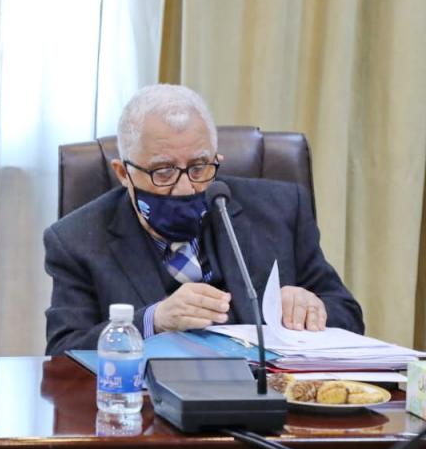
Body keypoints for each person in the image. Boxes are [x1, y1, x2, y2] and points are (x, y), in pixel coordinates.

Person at [44, 84, 363, 354]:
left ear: (216, 159)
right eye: (163, 171)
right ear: (123, 173)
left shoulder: (279, 210)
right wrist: (153, 321)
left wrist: (312, 308)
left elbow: (348, 315)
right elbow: (63, 353)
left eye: (199, 168)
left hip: (267, 397)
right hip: (150, 402)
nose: (185, 188)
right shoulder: (76, 240)